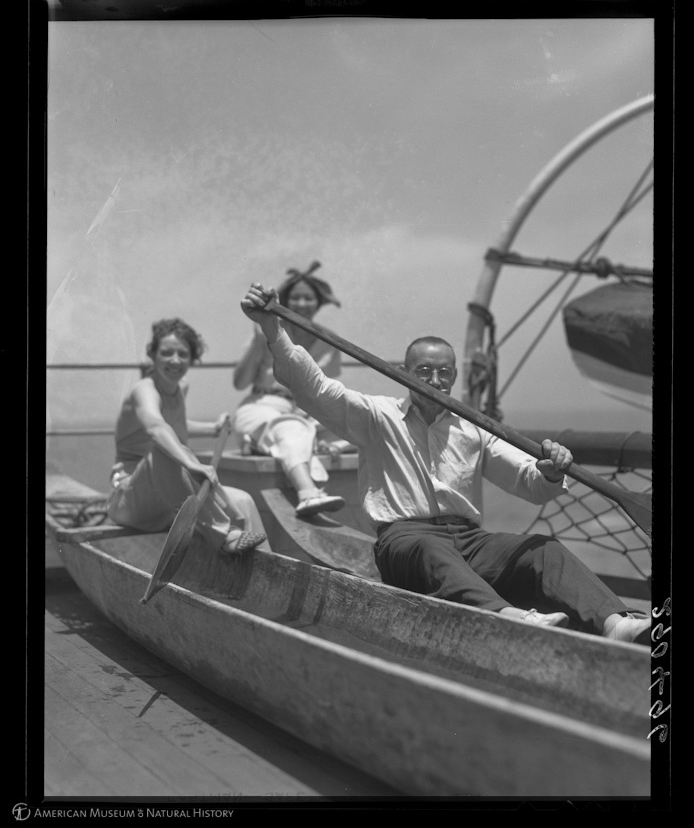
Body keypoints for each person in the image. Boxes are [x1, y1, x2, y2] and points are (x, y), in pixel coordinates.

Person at [239, 282, 651, 644]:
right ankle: (512, 619)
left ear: (453, 376)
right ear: (404, 372)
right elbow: (314, 388)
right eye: (423, 372)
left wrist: (550, 471)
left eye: (443, 374)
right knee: (429, 547)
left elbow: (528, 482)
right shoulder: (376, 415)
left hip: (470, 541)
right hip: (404, 541)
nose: (435, 382)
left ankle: (615, 622)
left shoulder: (474, 426)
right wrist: (272, 328)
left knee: (546, 550)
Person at [108, 317, 268, 555]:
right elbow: (156, 426)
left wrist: (214, 427)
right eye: (166, 353)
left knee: (243, 500)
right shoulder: (145, 390)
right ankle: (222, 533)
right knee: (164, 452)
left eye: (183, 354)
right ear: (152, 355)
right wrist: (192, 464)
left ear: (193, 358)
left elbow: (177, 425)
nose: (175, 360)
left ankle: (268, 566)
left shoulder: (179, 388)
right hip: (132, 501)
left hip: (170, 500)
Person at [233, 262, 352, 518]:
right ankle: (308, 494)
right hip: (263, 406)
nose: (301, 303)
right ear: (285, 300)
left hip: (306, 411)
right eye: (295, 297)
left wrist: (314, 417)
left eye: (308, 298)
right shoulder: (267, 330)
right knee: (289, 427)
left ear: (318, 303)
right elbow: (239, 383)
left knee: (355, 424)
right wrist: (258, 340)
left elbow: (325, 392)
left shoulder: (329, 340)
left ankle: (261, 443)